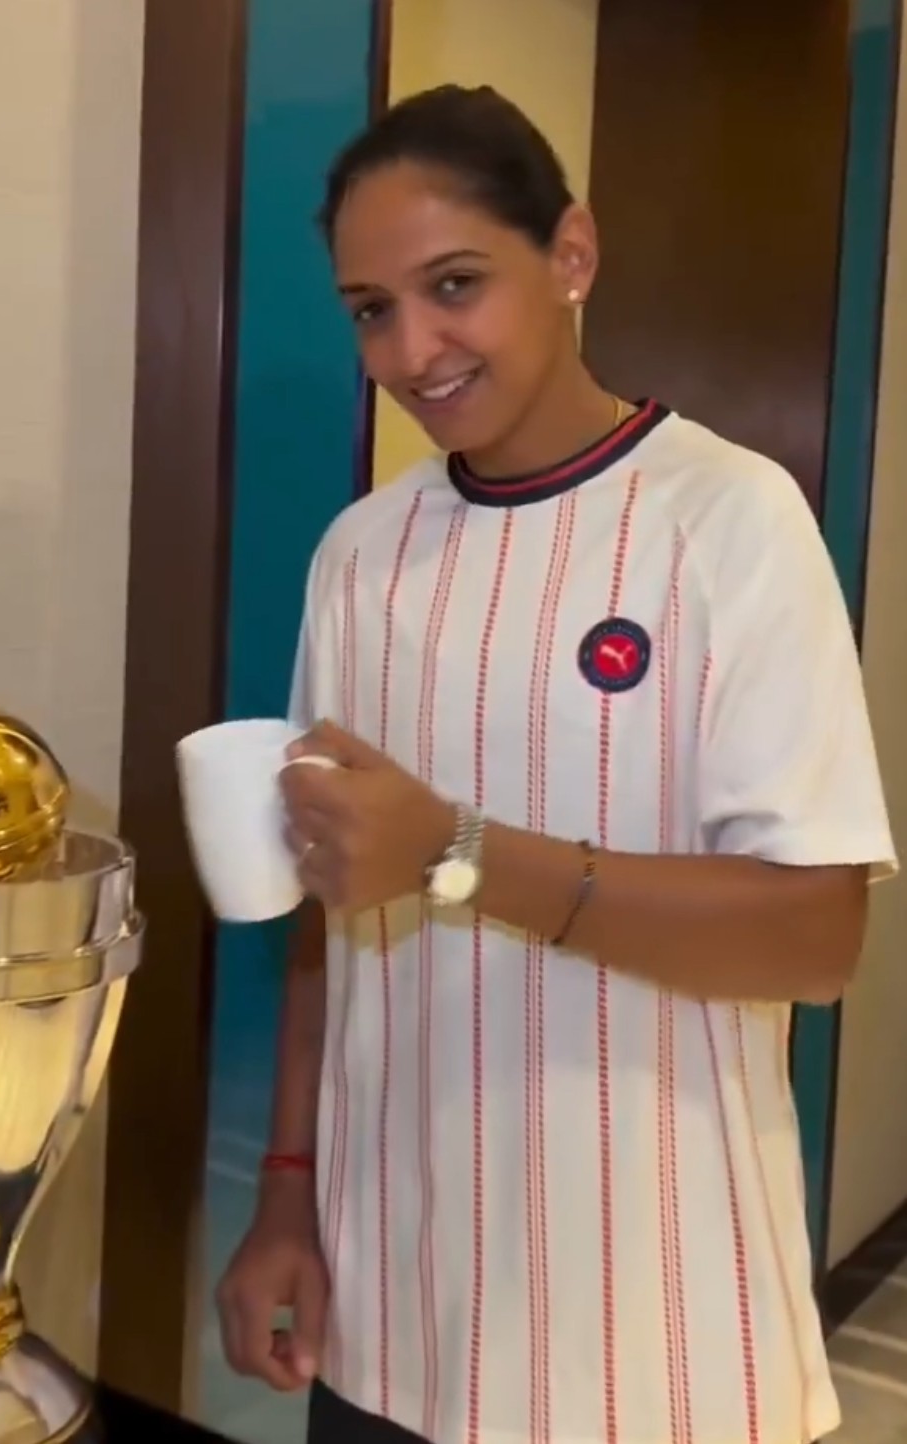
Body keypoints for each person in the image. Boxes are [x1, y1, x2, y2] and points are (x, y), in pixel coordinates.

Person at [216, 84, 895, 1444]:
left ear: (570, 255)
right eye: (370, 308)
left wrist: (459, 853)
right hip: (390, 1313)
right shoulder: (361, 553)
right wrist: (285, 1192)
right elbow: (329, 906)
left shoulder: (727, 520)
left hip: (653, 1344)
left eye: (452, 284)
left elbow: (814, 937)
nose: (411, 348)